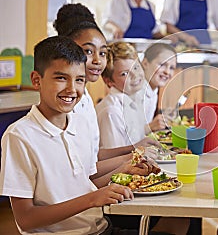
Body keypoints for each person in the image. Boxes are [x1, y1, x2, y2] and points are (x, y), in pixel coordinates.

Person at [0, 36, 133, 234]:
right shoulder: (19, 136)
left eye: (79, 80)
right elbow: (25, 219)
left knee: (179, 221)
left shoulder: (81, 124)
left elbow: (85, 185)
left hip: (100, 228)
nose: (72, 89)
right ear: (37, 80)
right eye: (61, 78)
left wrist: (126, 171)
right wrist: (92, 199)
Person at [53, 3, 160, 188]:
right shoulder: (67, 106)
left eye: (102, 52)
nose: (96, 60)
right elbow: (80, 177)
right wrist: (128, 163)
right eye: (88, 51)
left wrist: (134, 151)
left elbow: (93, 156)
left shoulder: (84, 98)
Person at [96, 42, 150, 149]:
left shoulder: (133, 100)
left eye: (135, 67)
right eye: (124, 73)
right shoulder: (112, 112)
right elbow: (114, 157)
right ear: (109, 81)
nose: (135, 75)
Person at [134, 42, 178, 132]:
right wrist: (150, 126)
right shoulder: (135, 92)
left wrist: (164, 117)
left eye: (172, 68)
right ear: (145, 63)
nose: (167, 72)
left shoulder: (153, 90)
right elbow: (125, 136)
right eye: (162, 65)